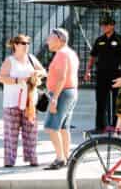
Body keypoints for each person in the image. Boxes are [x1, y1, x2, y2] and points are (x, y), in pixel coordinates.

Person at [0, 35, 44, 168]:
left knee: (31, 132)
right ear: (15, 45)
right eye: (23, 43)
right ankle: (9, 160)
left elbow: (43, 71)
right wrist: (18, 80)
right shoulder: (9, 61)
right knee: (11, 134)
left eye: (28, 43)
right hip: (12, 102)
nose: (26, 45)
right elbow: (2, 78)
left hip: (29, 102)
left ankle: (32, 158)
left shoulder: (31, 59)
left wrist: (36, 74)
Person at [42, 29, 78, 171]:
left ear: (59, 39)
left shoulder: (62, 54)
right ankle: (66, 157)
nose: (47, 41)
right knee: (63, 128)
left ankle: (60, 158)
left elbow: (62, 77)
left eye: (50, 38)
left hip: (62, 93)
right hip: (70, 92)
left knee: (51, 127)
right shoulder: (70, 53)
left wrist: (54, 98)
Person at [85, 16, 121, 134]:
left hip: (116, 74)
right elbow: (93, 56)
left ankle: (116, 126)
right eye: (102, 25)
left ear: (112, 25)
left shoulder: (120, 39)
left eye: (106, 24)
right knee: (101, 101)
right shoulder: (99, 40)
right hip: (102, 74)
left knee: (116, 101)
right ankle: (100, 126)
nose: (103, 27)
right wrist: (88, 70)